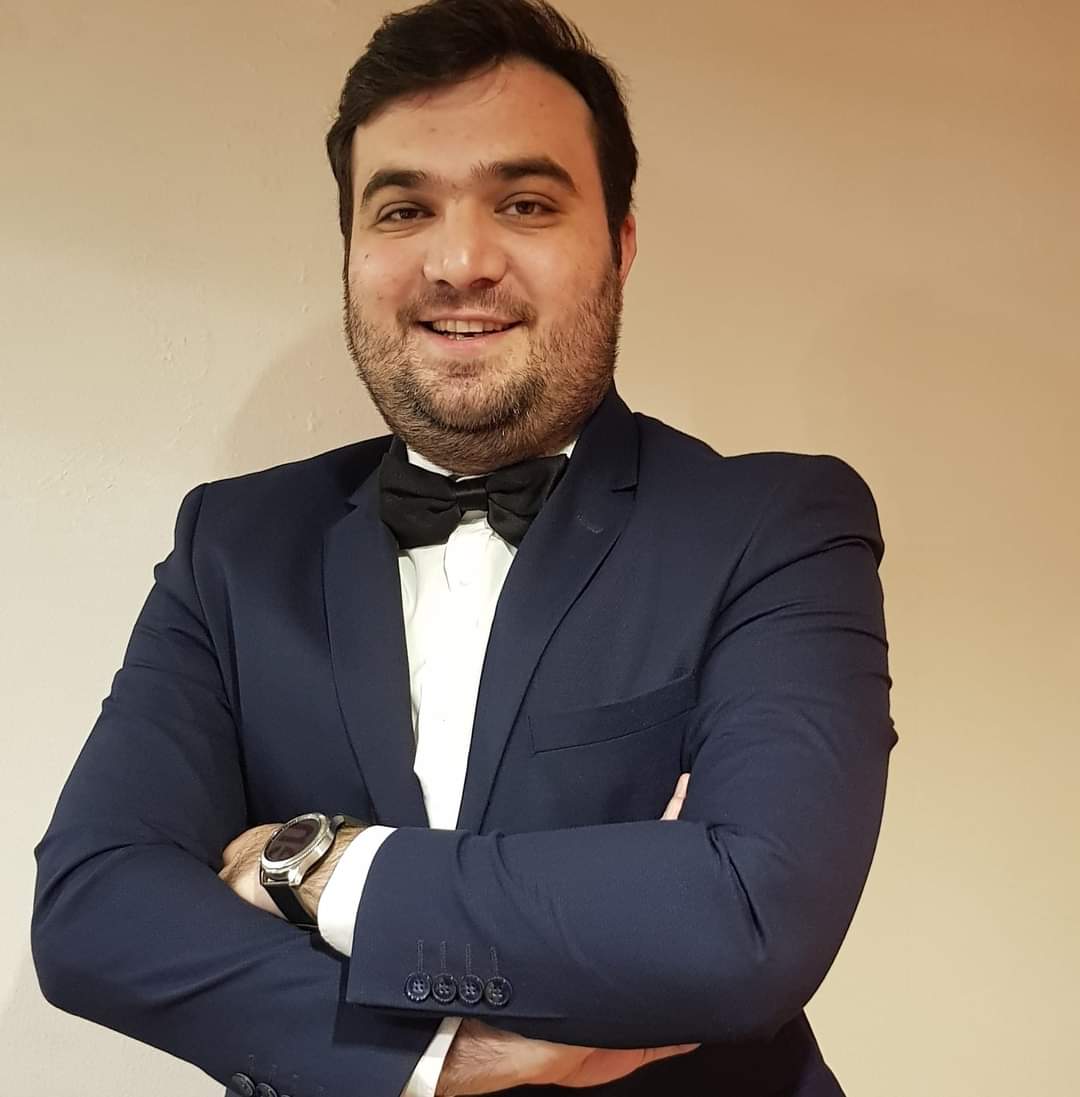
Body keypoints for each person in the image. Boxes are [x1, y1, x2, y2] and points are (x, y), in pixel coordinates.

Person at [31, 1, 896, 1094]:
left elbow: (748, 921)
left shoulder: (776, 522)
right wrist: (443, 1056)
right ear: (352, 251)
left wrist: (321, 865)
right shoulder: (232, 543)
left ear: (621, 245)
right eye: (403, 209)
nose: (458, 260)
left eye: (525, 203)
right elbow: (93, 907)